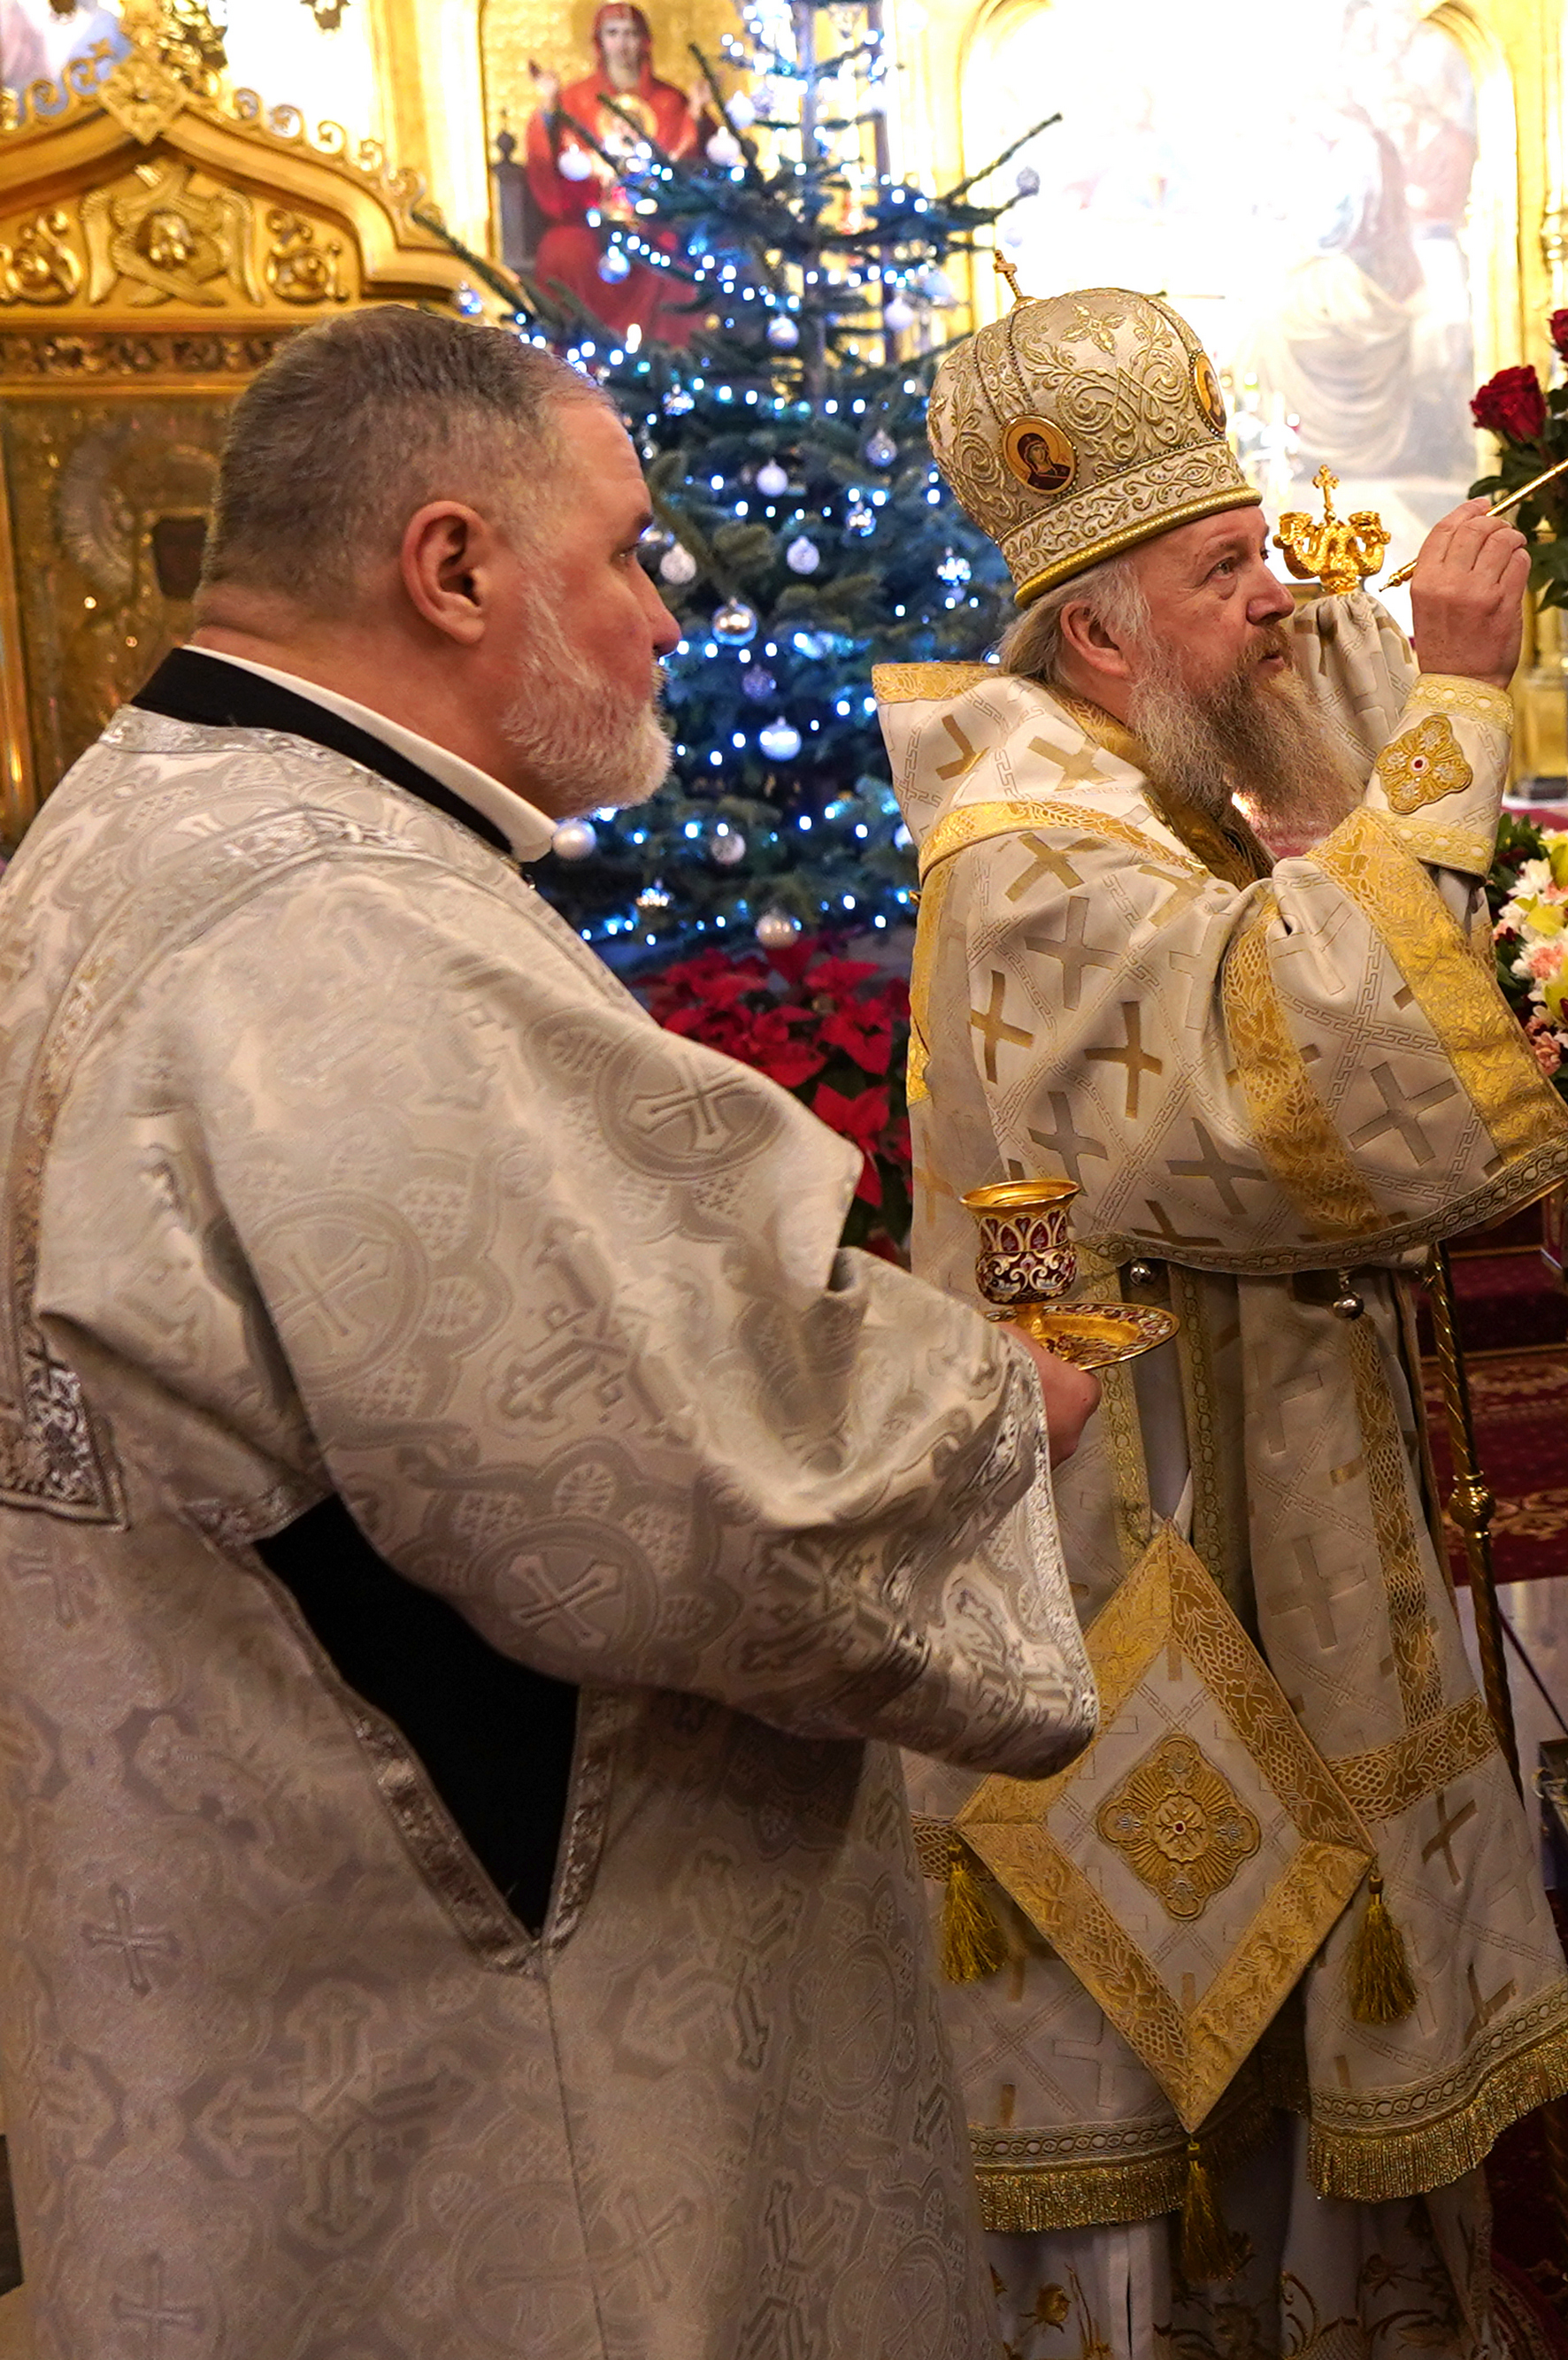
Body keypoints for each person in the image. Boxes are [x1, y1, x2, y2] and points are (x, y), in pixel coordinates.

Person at [0, 305, 1104, 2353]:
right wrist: (987, 1409)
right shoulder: (339, 923)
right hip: (489, 2035)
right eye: (621, 552)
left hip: (238, 1951)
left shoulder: (136, 814)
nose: (664, 616)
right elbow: (664, 1478)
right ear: (453, 565)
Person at [885, 281, 1568, 2355]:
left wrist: (1397, 638)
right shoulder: (1036, 850)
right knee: (1201, 1957)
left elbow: (1306, 735)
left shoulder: (1129, 770)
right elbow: (1286, 1043)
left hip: (1212, 1420)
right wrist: (1460, 709)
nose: (1278, 600)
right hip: (1152, 1496)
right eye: (1228, 571)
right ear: (1103, 634)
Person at [521, 3, 706, 345]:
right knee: (560, 250)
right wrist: (548, 108)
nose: (623, 43)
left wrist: (696, 113)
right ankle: (577, 357)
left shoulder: (670, 101)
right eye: (613, 33)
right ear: (599, 41)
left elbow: (689, 163)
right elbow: (551, 157)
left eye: (631, 34)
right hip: (589, 222)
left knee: (682, 256)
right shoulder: (574, 98)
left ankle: (671, 359)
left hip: (654, 223)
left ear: (645, 41)